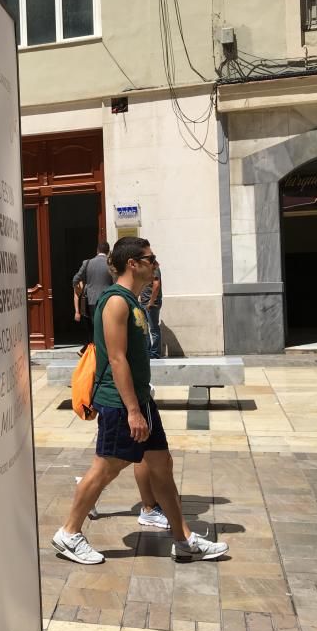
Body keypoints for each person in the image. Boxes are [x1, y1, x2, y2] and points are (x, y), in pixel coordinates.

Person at [52, 237, 228, 564]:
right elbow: (117, 359)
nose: (155, 263)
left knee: (161, 464)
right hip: (120, 402)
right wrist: (133, 410)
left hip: (140, 399)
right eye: (151, 258)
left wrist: (141, 403)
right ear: (133, 263)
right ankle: (69, 532)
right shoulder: (116, 302)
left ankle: (184, 539)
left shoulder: (132, 301)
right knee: (106, 467)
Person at [72, 242, 112, 349]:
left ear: (97, 250)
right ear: (108, 252)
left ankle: (95, 350)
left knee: (95, 326)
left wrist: (78, 289)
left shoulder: (87, 263)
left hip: (92, 300)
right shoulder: (111, 263)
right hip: (108, 299)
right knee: (108, 325)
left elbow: (75, 279)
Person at [139, 263, 162, 358]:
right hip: (143, 303)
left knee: (153, 329)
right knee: (144, 329)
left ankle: (155, 353)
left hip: (151, 304)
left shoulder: (154, 268)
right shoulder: (145, 268)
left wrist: (151, 302)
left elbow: (156, 285)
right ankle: (147, 352)